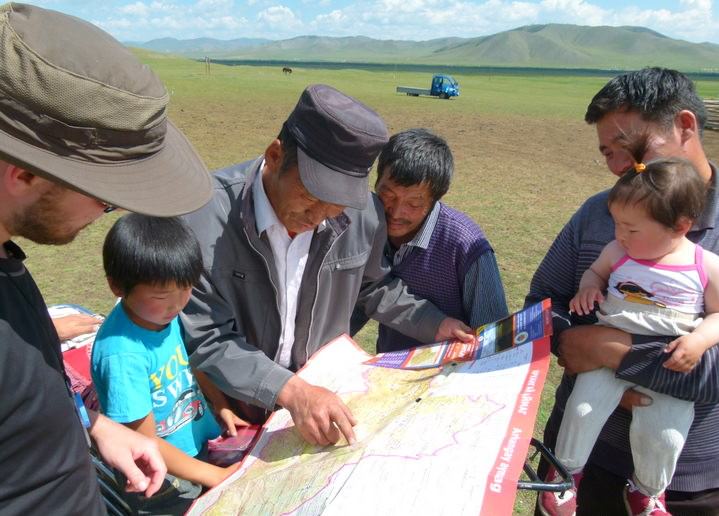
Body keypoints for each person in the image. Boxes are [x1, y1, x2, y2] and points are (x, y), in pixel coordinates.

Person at [0, 3, 212, 514]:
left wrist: (95, 426)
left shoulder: (9, 259)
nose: (105, 212)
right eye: (105, 195)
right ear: (21, 173)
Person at [182, 84, 473, 447]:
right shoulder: (203, 220)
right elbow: (206, 336)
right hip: (231, 416)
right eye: (310, 196)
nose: (319, 217)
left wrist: (436, 323)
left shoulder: (363, 215)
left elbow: (374, 286)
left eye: (336, 205)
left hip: (319, 408)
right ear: (275, 155)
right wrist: (292, 391)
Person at [526, 67, 719, 516]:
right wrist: (566, 340)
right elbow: (541, 304)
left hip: (689, 480)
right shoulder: (599, 214)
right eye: (607, 152)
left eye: (631, 148)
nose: (618, 167)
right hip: (577, 462)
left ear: (685, 126)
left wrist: (612, 352)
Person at [92, 215, 245, 512]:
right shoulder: (122, 355)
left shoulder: (160, 317)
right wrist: (217, 475)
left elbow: (187, 361)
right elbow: (142, 441)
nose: (177, 305)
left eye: (186, 289)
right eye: (161, 296)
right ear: (117, 286)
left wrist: (220, 403)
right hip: (160, 478)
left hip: (189, 451)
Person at [351, 128, 508, 352]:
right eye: (388, 195)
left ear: (436, 198)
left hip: (452, 376)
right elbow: (363, 295)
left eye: (414, 204)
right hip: (389, 371)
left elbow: (494, 335)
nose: (396, 213)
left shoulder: (465, 245)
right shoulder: (367, 223)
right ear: (376, 183)